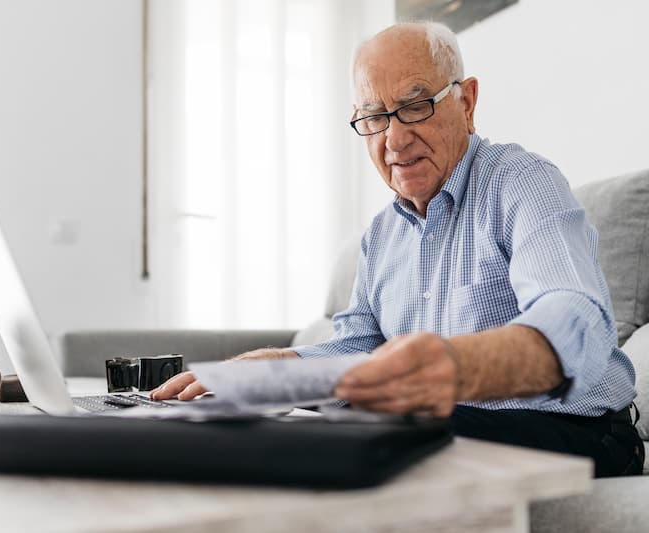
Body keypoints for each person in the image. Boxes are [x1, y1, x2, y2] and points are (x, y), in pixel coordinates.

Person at [151, 21, 644, 477]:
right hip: (448, 421)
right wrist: (274, 370)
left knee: (373, 437)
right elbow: (360, 345)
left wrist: (457, 367)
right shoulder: (382, 234)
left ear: (467, 103)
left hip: (584, 434)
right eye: (373, 117)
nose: (394, 138)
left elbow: (577, 319)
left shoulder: (521, 181)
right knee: (297, 432)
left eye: (414, 106)